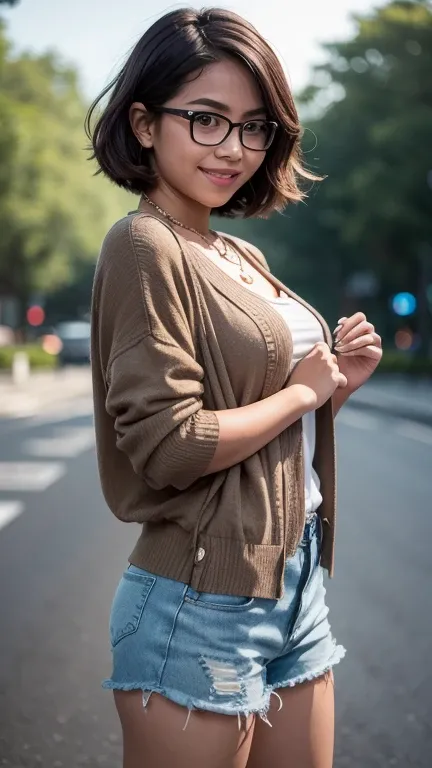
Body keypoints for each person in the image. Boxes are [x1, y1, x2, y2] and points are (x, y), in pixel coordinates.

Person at [86, 7, 382, 768]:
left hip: (295, 585)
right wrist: (302, 394)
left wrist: (335, 390)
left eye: (255, 127)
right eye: (207, 121)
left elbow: (276, 420)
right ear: (145, 124)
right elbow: (169, 447)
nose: (235, 149)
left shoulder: (238, 252)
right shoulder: (143, 243)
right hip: (199, 601)